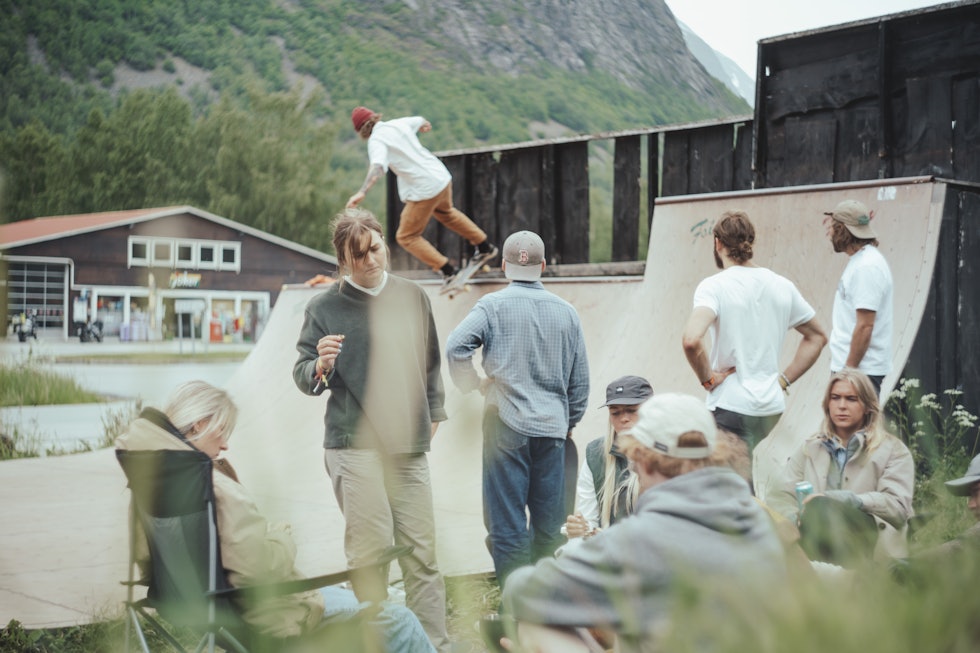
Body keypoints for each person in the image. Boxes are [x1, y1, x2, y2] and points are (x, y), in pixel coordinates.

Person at [115, 380, 435, 652]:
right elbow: (257, 570)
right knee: (398, 620)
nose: (226, 444)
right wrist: (282, 535)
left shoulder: (151, 479)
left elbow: (145, 558)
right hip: (261, 616)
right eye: (222, 431)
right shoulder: (212, 487)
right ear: (198, 424)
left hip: (190, 608)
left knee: (341, 598)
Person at [499, 393, 788, 653]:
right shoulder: (757, 519)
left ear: (642, 460)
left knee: (536, 625)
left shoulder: (641, 539)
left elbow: (522, 590)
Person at [292, 208, 451, 652]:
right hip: (352, 444)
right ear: (342, 260)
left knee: (422, 552)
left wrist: (433, 414)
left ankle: (433, 645)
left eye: (375, 249)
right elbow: (303, 374)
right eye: (357, 255)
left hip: (409, 444)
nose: (370, 261)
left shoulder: (412, 297)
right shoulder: (323, 307)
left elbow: (431, 363)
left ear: (385, 242)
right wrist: (320, 365)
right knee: (372, 552)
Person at [445, 230, 590, 587]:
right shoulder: (568, 314)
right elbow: (581, 383)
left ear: (506, 267)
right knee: (549, 525)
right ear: (542, 265)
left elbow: (455, 346)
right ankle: (547, 609)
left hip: (505, 425)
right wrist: (567, 421)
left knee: (507, 524)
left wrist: (472, 384)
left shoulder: (491, 306)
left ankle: (516, 607)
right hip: (552, 431)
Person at [682, 210, 827, 454]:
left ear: (717, 243)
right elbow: (818, 337)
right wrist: (783, 380)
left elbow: (691, 340)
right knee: (739, 470)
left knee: (727, 482)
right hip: (770, 408)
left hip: (732, 406)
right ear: (751, 242)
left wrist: (708, 379)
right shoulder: (782, 286)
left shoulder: (714, 287)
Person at [769, 369, 914, 567]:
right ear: (827, 405)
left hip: (868, 541)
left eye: (851, 399)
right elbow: (779, 496)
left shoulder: (893, 450)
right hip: (814, 536)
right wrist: (795, 518)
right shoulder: (810, 447)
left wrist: (847, 499)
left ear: (867, 406)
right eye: (835, 398)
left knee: (820, 506)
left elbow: (897, 507)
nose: (842, 406)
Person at [345, 106, 497, 282]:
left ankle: (448, 271)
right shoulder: (398, 124)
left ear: (362, 130)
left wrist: (362, 192)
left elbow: (378, 167)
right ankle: (485, 246)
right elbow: (419, 120)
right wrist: (424, 125)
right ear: (375, 118)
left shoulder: (376, 140)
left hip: (425, 189)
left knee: (406, 236)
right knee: (447, 213)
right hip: (441, 178)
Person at [563, 375, 653, 543]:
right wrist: (582, 529)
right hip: (611, 550)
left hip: (656, 551)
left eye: (632, 410)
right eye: (615, 412)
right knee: (571, 548)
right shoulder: (595, 454)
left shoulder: (669, 452)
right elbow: (589, 519)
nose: (623, 418)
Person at [823, 199, 894, 395]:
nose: (828, 233)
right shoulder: (861, 261)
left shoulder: (867, 267)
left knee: (856, 426)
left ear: (842, 230)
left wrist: (848, 372)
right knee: (842, 426)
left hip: (860, 372)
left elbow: (865, 326)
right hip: (854, 369)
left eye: (832, 228)